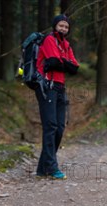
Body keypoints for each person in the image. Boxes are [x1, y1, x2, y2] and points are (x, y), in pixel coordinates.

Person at [34, 14, 79, 180]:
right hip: (47, 87)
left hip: (60, 88)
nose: (64, 29)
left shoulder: (66, 44)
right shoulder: (49, 40)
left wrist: (63, 63)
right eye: (61, 26)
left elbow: (75, 68)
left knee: (60, 127)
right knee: (51, 126)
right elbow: (53, 61)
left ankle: (42, 168)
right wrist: (64, 63)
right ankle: (52, 168)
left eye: (66, 27)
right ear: (55, 26)